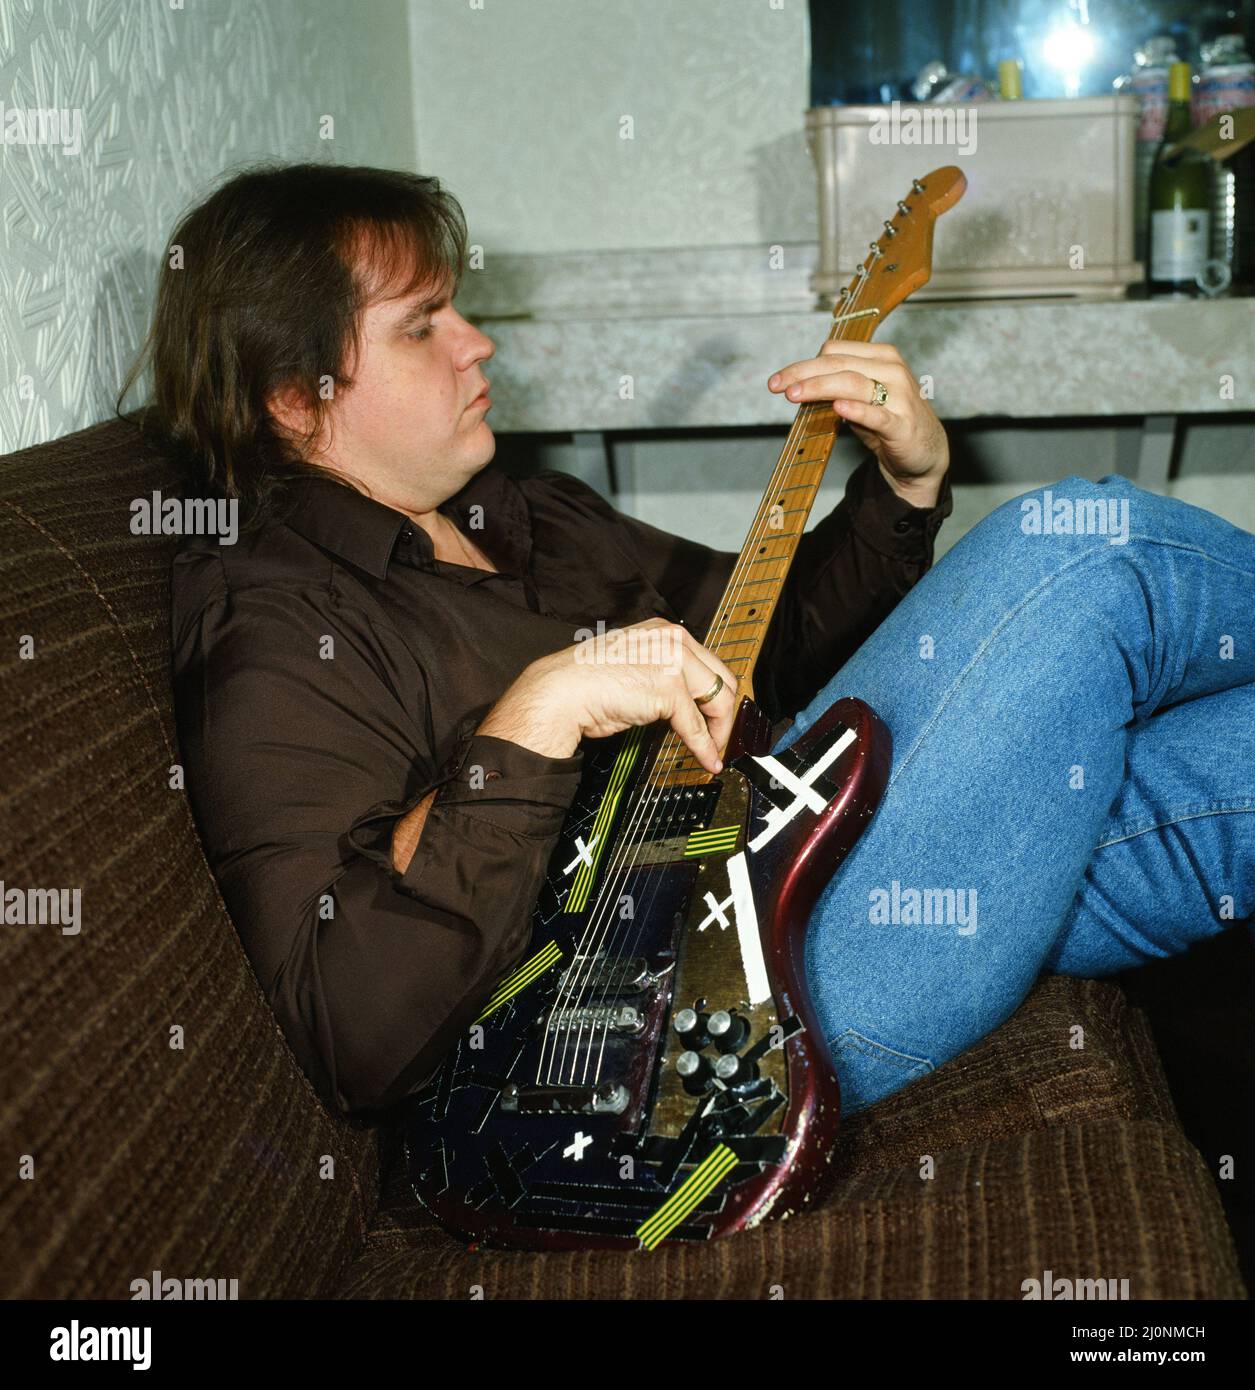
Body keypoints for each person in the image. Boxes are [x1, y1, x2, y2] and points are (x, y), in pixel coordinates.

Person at [124, 162, 1255, 1120]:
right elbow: (348, 1026)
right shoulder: (273, 621)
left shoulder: (539, 519)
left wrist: (905, 486)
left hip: (823, 876)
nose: (478, 345)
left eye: (457, 308)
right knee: (1076, 546)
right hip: (680, 1045)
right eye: (422, 326)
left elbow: (777, 641)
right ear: (292, 395)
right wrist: (530, 719)